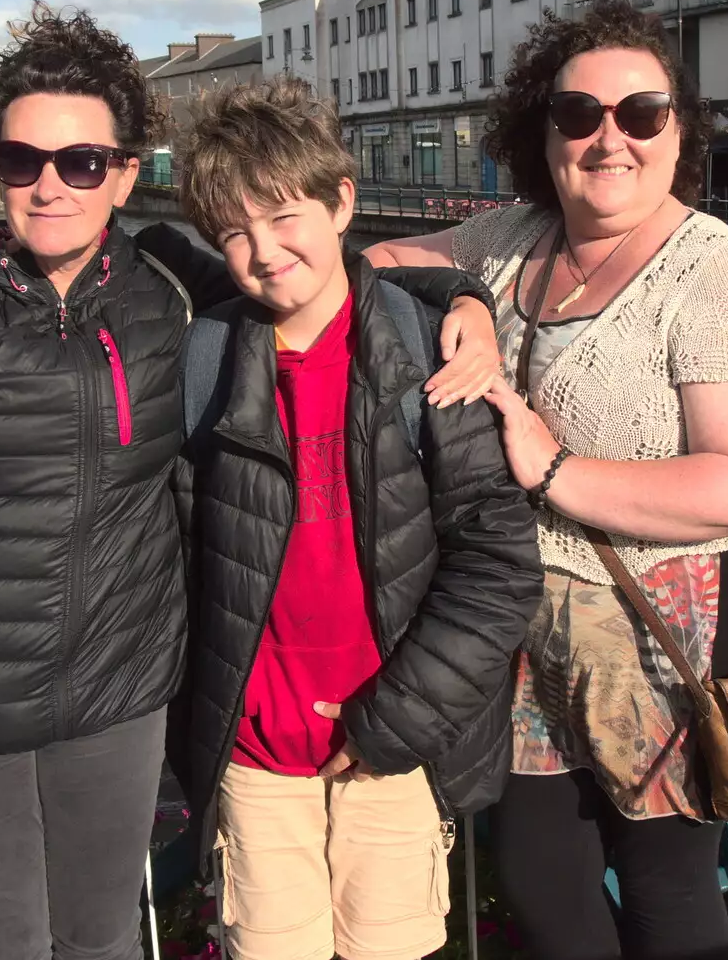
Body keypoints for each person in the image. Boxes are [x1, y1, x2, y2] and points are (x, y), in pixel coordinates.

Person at [0, 3, 502, 960]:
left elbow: (309, 284)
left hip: (119, 696)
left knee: (105, 936)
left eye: (81, 162)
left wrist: (463, 299)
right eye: (20, 160)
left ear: (123, 173)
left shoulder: (164, 285)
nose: (49, 186)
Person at [365, 0, 728, 960]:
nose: (609, 138)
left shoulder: (713, 271)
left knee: (663, 876)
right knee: (537, 867)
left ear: (677, 130)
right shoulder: (519, 237)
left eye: (640, 114)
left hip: (677, 612)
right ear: (544, 132)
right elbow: (374, 262)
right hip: (532, 614)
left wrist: (556, 467)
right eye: (579, 115)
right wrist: (465, 300)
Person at [168, 76, 543, 960]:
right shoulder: (207, 358)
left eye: (282, 217)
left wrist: (397, 723)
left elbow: (497, 567)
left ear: (341, 202)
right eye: (233, 232)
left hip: (393, 744)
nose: (263, 251)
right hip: (257, 749)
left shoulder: (428, 355)